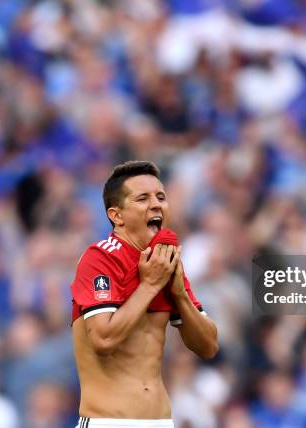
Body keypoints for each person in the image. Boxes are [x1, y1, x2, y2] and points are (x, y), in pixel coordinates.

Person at [70, 161, 218, 428]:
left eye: (161, 197)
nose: (156, 204)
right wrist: (150, 286)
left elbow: (208, 346)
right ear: (117, 215)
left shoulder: (164, 262)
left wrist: (180, 295)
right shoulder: (100, 258)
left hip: (161, 421)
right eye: (142, 198)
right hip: (109, 422)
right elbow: (103, 339)